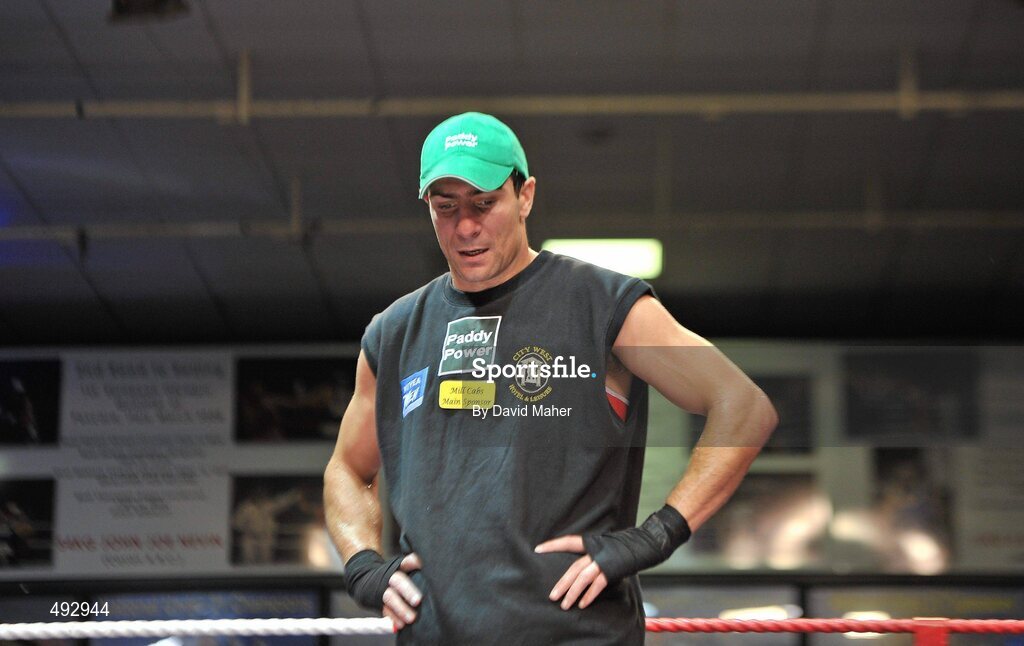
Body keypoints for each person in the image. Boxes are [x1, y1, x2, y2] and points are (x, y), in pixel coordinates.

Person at [324, 112, 778, 644]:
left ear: (525, 196)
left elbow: (742, 406)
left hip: (577, 632)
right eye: (446, 207)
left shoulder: (603, 304)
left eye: (483, 203)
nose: (465, 226)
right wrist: (362, 563)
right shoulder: (393, 334)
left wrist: (656, 535)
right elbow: (347, 468)